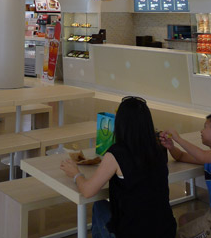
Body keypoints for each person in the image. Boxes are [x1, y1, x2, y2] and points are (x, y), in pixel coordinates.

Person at [61, 96, 176, 238]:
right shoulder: (159, 148)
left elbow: (87, 191)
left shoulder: (117, 153)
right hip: (166, 231)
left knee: (99, 206)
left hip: (133, 233)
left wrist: (76, 174)